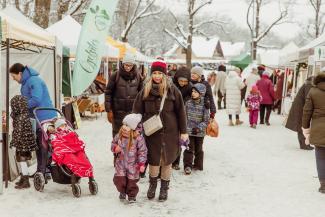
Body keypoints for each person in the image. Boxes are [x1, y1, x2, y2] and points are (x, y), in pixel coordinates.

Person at [133, 60, 187, 202]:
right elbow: (136, 111)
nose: (157, 76)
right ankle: (152, 186)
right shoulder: (145, 90)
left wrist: (184, 131)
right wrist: (135, 128)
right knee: (153, 160)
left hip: (170, 132)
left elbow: (181, 112)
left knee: (167, 160)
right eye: (155, 73)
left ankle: (164, 188)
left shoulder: (172, 90)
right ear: (151, 75)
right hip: (152, 133)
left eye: (160, 73)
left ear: (165, 75)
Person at [9, 63, 56, 180]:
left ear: (20, 73)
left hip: (44, 117)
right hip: (36, 118)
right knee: (40, 146)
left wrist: (20, 107)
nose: (14, 79)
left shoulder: (34, 81)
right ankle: (43, 170)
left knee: (43, 145)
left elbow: (36, 99)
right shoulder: (25, 84)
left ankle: (44, 170)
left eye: (14, 76)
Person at [111, 113, 147, 203]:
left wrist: (141, 164)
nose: (124, 127)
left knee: (132, 181)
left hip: (133, 165)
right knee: (119, 180)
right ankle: (122, 191)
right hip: (121, 163)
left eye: (127, 125)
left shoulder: (138, 138)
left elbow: (142, 151)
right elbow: (113, 143)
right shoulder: (119, 135)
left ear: (133, 127)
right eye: (124, 124)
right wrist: (115, 148)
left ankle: (131, 195)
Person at [105, 53, 143, 137]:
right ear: (123, 63)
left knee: (132, 136)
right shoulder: (115, 75)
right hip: (118, 112)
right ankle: (117, 150)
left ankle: (131, 150)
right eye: (126, 65)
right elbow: (108, 92)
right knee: (118, 135)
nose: (128, 67)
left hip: (132, 112)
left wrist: (141, 109)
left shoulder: (138, 76)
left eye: (130, 65)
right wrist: (109, 110)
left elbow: (141, 93)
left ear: (133, 65)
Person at [302, 72, 325, 193]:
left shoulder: (313, 91)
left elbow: (306, 111)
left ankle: (323, 184)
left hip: (318, 129)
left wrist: (305, 127)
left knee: (321, 157)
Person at [10, 95, 38, 189]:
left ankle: (25, 181)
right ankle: (23, 178)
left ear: (17, 106)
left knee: (22, 161)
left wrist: (13, 143)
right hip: (26, 143)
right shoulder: (24, 115)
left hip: (22, 143)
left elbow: (17, 132)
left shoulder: (20, 118)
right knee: (23, 161)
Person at [183, 83, 209, 175]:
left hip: (199, 132)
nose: (193, 93)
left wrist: (199, 128)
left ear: (201, 93)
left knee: (198, 149)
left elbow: (206, 120)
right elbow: (184, 116)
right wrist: (184, 128)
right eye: (192, 91)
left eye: (195, 92)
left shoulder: (205, 105)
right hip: (189, 131)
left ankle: (198, 164)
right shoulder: (188, 103)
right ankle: (187, 166)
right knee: (189, 148)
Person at [172, 66, 193, 170]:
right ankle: (169, 160)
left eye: (185, 81)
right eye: (181, 80)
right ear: (177, 79)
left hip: (183, 115)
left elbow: (193, 97)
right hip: (171, 114)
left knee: (180, 139)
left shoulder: (190, 87)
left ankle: (176, 162)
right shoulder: (171, 84)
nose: (182, 83)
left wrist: (184, 103)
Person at [285, 77, 314, 150]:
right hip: (301, 109)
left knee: (301, 126)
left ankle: (304, 144)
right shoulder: (308, 86)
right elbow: (308, 98)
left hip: (300, 108)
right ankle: (304, 144)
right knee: (302, 126)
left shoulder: (307, 85)